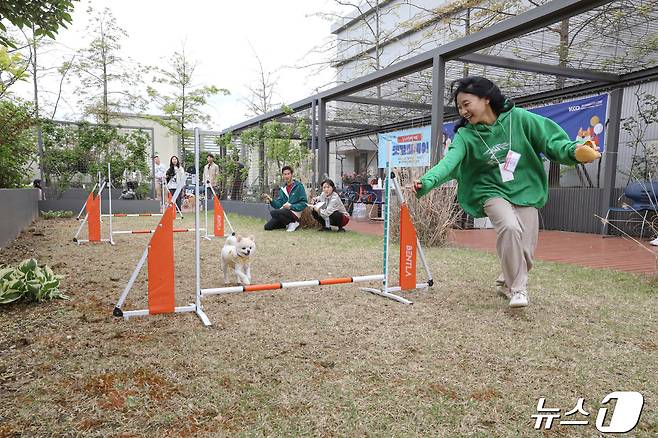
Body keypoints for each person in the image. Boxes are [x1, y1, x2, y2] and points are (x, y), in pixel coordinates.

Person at [413, 76, 601, 308]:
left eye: (466, 104)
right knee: (510, 227)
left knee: (526, 250)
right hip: (489, 190)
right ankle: (518, 289)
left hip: (525, 187)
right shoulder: (465, 135)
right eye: (459, 107)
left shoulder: (520, 119)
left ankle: (505, 280)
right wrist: (427, 180)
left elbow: (552, 141)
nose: (462, 111)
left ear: (486, 99)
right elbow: (449, 163)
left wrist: (576, 151)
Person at [261, 166, 307, 232]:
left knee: (273, 212)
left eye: (288, 174)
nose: (287, 176)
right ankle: (287, 224)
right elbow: (279, 205)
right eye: (285, 174)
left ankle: (294, 223)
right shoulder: (282, 189)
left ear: (292, 174)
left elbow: (304, 203)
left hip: (295, 212)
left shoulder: (299, 186)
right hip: (284, 212)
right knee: (267, 227)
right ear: (282, 175)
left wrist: (291, 206)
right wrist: (270, 199)